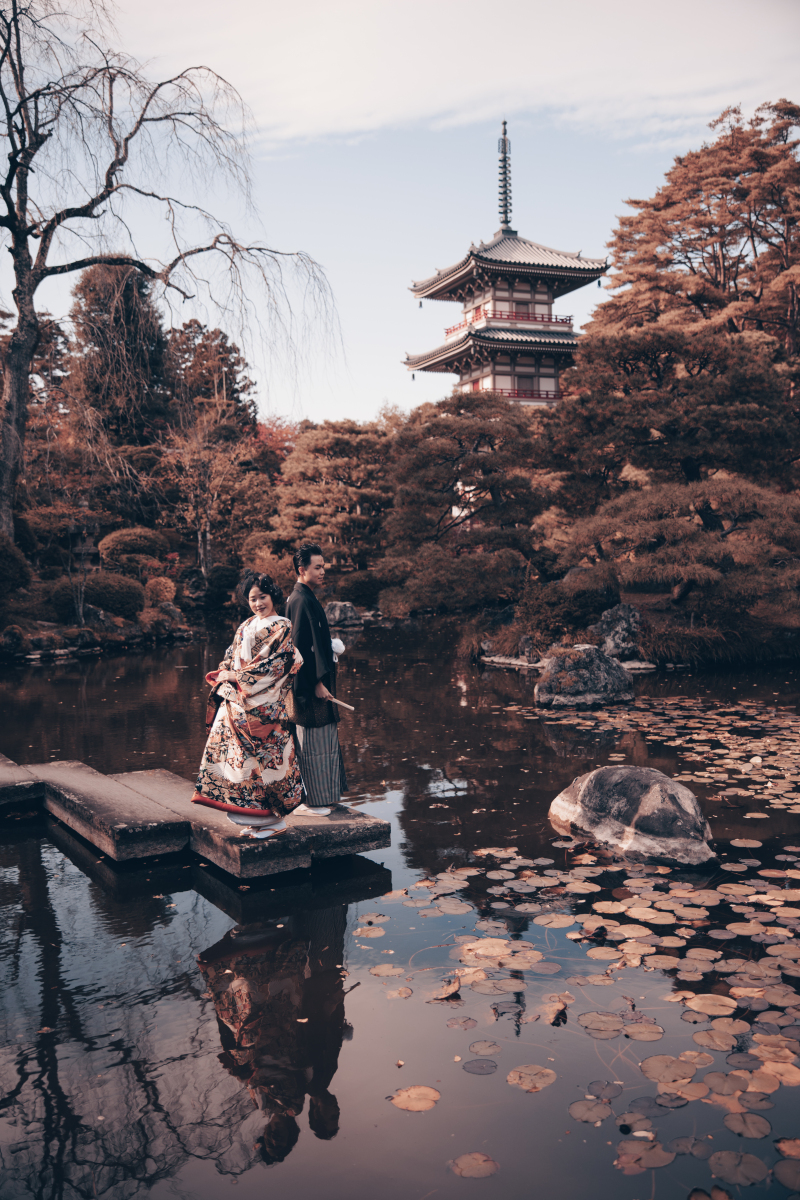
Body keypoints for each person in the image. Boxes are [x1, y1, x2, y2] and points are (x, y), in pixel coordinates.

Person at [191, 570, 303, 838]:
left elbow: (277, 665)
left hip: (265, 707)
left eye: (262, 597)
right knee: (241, 764)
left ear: (272, 595)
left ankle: (274, 821)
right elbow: (230, 657)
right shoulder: (246, 625)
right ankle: (256, 821)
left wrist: (238, 677)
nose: (258, 603)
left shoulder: (283, 626)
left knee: (266, 765)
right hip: (237, 704)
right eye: (252, 599)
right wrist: (224, 672)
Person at [285, 543, 349, 815]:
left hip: (315, 683)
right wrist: (316, 683)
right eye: (318, 567)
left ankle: (321, 798)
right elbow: (300, 648)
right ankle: (313, 800)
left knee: (322, 744)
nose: (323, 571)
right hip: (309, 687)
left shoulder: (306, 597)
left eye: (323, 567)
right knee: (312, 745)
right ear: (302, 570)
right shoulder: (299, 600)